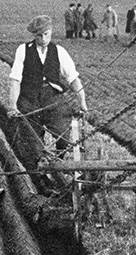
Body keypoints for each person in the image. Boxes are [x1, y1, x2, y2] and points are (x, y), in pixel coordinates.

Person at [8, 15, 89, 156]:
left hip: (52, 98)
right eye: (39, 35)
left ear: (51, 31)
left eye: (46, 34)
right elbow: (16, 80)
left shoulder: (59, 51)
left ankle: (60, 161)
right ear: (34, 35)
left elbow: (73, 78)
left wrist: (82, 100)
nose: (43, 39)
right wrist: (13, 105)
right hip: (29, 99)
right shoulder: (23, 50)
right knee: (31, 143)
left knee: (63, 132)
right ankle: (37, 170)